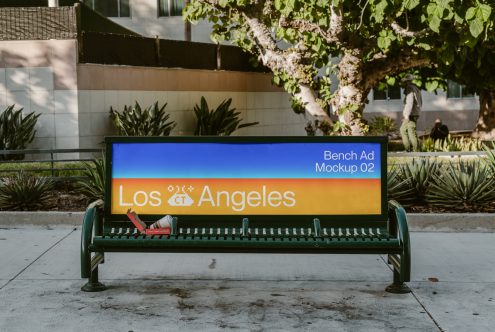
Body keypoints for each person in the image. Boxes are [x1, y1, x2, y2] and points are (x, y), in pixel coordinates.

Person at [400, 74, 423, 151]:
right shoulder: (416, 88)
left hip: (411, 114)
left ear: (407, 82)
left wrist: (406, 116)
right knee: (408, 131)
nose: (403, 84)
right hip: (415, 113)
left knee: (408, 131)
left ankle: (412, 151)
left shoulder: (410, 88)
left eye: (404, 82)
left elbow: (409, 102)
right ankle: (416, 150)